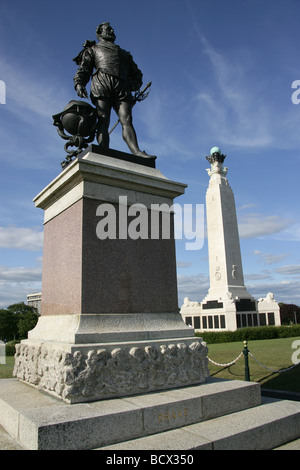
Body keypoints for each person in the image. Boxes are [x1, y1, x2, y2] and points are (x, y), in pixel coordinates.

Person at [73, 22, 154, 158]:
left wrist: (132, 85)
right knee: (103, 119)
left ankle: (136, 151)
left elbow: (137, 74)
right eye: (108, 29)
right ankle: (103, 150)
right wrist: (79, 83)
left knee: (127, 119)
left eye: (112, 29)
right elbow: (84, 69)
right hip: (102, 83)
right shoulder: (93, 49)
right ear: (100, 33)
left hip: (122, 87)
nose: (111, 31)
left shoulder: (124, 54)